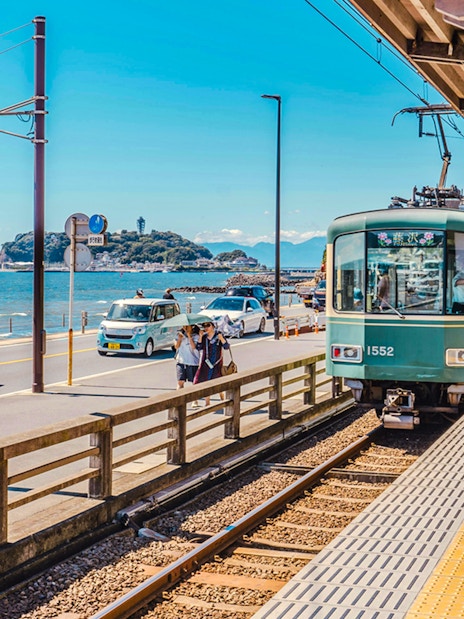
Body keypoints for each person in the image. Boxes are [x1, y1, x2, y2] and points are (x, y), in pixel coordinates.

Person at [193, 321, 230, 406]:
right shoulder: (204, 337)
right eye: (204, 326)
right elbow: (198, 347)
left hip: (216, 363)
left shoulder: (218, 335)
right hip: (205, 363)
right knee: (203, 381)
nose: (206, 327)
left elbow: (226, 347)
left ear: (213, 326)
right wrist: (200, 337)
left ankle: (222, 397)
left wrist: (222, 339)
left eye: (208, 325)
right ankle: (207, 403)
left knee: (217, 382)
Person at [174, 324, 201, 408]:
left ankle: (195, 400)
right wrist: (179, 339)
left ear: (192, 327)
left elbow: (194, 347)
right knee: (180, 381)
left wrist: (189, 336)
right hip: (181, 361)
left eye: (187, 327)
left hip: (193, 362)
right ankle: (178, 401)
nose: (185, 328)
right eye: (183, 327)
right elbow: (176, 347)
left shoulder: (196, 336)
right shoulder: (179, 335)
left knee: (194, 382)